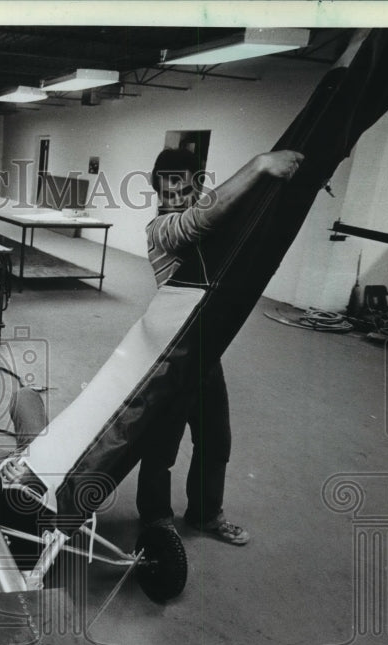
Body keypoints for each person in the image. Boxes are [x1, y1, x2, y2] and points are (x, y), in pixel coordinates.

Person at [138, 146, 303, 545]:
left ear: (198, 185)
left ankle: (205, 514)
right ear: (155, 185)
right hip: (170, 353)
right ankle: (156, 521)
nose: (175, 190)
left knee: (215, 440)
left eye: (185, 181)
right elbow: (194, 223)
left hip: (205, 351)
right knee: (161, 447)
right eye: (168, 181)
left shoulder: (213, 227)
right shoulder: (159, 230)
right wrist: (260, 163)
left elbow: (226, 217)